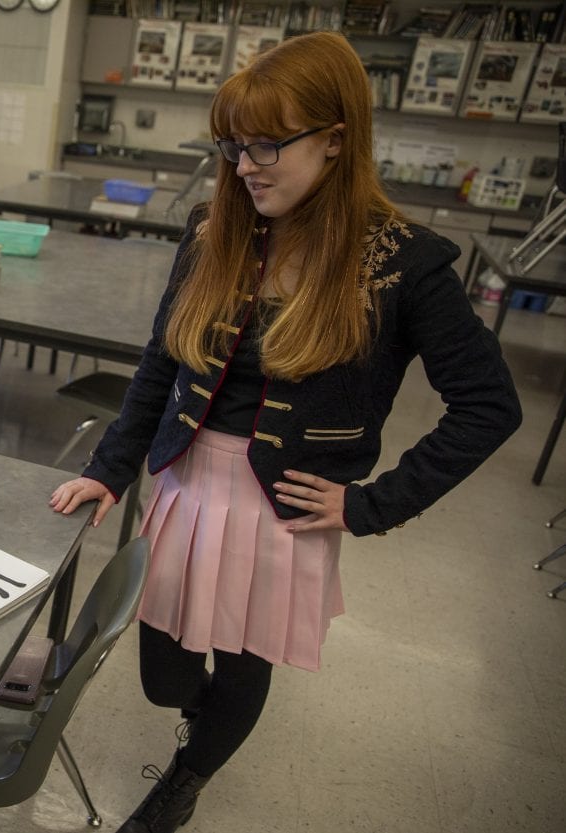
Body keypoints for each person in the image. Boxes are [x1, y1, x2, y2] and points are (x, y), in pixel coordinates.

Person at [48, 32, 521, 833]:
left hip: (284, 507)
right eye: (233, 145)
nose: (245, 165)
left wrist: (373, 503)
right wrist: (110, 466)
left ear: (337, 139)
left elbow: (488, 405)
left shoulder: (406, 263)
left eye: (268, 144)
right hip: (188, 483)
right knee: (163, 671)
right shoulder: (215, 228)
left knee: (242, 663)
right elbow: (161, 367)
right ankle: (206, 722)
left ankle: (187, 778)